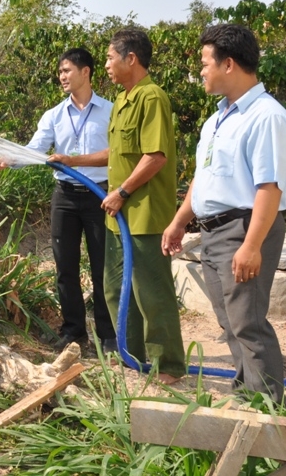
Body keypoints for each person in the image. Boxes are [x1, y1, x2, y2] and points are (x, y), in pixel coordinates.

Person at [162, 24, 286, 403]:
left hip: (244, 229)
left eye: (205, 63)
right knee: (231, 324)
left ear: (229, 64)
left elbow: (269, 188)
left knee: (248, 325)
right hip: (215, 232)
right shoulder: (218, 119)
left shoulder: (266, 117)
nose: (201, 71)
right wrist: (179, 221)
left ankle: (269, 416)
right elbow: (205, 180)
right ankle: (247, 401)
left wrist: (252, 246)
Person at [50, 28, 186, 383]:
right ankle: (131, 353)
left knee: (151, 290)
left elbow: (154, 155)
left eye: (110, 57)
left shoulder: (151, 97)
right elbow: (116, 152)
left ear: (131, 59)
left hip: (143, 212)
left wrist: (122, 191)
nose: (106, 64)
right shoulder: (124, 100)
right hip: (118, 215)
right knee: (114, 286)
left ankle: (168, 364)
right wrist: (74, 161)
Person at [0, 48, 116, 353]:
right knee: (65, 267)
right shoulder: (54, 115)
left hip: (100, 196)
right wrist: (11, 158)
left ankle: (108, 335)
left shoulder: (111, 111)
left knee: (102, 267)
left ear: (85, 72)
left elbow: (118, 152)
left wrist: (73, 160)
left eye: (67, 70)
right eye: (60, 72)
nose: (61, 76)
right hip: (64, 196)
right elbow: (36, 149)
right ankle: (74, 332)